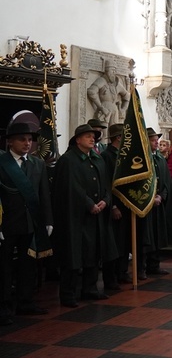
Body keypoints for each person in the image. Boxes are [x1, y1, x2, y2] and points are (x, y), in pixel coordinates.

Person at [53, 124, 118, 307]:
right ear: (77, 139)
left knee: (93, 251)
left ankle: (89, 289)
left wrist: (106, 200)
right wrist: (89, 204)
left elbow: (106, 183)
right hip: (76, 216)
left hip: (96, 215)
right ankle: (68, 294)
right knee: (73, 254)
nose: (92, 139)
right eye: (88, 136)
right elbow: (71, 186)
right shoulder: (68, 160)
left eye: (94, 136)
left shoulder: (97, 159)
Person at [0, 122, 53, 323]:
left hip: (31, 222)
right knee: (4, 267)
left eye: (30, 140)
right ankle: (4, 307)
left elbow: (43, 195)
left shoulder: (37, 163)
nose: (27, 143)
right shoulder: (2, 162)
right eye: (22, 139)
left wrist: (48, 220)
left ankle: (25, 302)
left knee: (28, 264)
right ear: (10, 142)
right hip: (7, 224)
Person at [144, 127, 172, 277]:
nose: (156, 143)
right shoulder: (141, 159)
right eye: (152, 140)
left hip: (158, 203)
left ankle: (154, 264)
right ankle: (142, 266)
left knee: (157, 235)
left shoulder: (159, 159)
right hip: (145, 205)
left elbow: (165, 181)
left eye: (156, 140)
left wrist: (161, 196)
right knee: (146, 236)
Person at [100, 123, 129, 290]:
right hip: (114, 205)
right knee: (113, 243)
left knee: (123, 241)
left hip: (125, 204)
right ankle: (110, 278)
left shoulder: (123, 154)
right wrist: (113, 206)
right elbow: (107, 183)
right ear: (119, 137)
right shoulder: (107, 156)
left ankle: (122, 272)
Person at [86, 61, 129, 128]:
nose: (114, 72)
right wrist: (100, 107)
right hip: (105, 108)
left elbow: (127, 96)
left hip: (115, 109)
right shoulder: (102, 80)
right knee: (104, 133)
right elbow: (91, 91)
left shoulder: (117, 84)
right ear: (107, 71)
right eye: (112, 70)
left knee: (115, 132)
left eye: (115, 70)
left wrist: (123, 109)